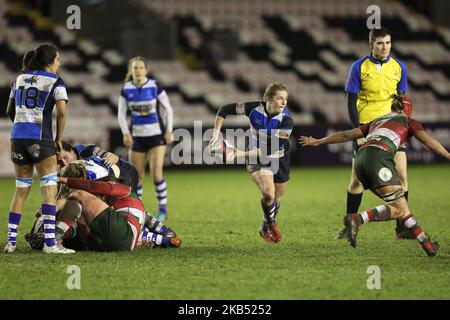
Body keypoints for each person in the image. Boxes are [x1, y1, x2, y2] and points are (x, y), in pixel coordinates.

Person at [299, 94, 450, 257]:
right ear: (408, 110)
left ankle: (428, 246)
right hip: (378, 159)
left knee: (401, 208)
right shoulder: (409, 122)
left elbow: (347, 135)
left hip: (360, 160)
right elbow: (428, 141)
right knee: (399, 209)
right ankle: (358, 219)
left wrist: (318, 141)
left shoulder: (377, 121)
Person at [342, 26, 411, 240]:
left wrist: (403, 123)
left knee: (401, 174)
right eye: (380, 43)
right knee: (357, 180)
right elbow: (351, 103)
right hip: (367, 127)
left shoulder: (400, 67)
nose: (385, 47)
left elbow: (401, 99)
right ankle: (350, 223)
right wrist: (359, 131)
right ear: (371, 45)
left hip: (392, 127)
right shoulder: (358, 67)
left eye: (388, 43)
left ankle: (402, 228)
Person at [4, 44, 74, 254]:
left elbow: (10, 110)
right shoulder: (56, 81)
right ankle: (50, 244)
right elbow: (61, 113)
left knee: (21, 189)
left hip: (17, 138)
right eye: (58, 60)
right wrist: (58, 139)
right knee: (48, 189)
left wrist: (21, 128)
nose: (59, 63)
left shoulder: (19, 79)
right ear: (49, 62)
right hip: (40, 140)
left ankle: (11, 242)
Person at [209, 82, 293, 243]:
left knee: (277, 197)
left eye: (286, 99)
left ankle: (264, 224)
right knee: (269, 194)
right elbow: (224, 110)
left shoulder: (287, 120)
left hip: (280, 156)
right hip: (257, 156)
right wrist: (216, 133)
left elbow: (272, 149)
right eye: (280, 98)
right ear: (268, 98)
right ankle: (271, 223)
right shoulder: (253, 108)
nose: (284, 102)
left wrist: (240, 154)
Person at [54, 175, 181, 252]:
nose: (100, 197)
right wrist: (165, 238)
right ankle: (54, 237)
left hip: (122, 235)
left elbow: (92, 186)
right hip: (118, 244)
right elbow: (167, 232)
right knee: (80, 210)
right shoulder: (134, 208)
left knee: (78, 194)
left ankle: (54, 238)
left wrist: (62, 179)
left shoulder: (125, 190)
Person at [118, 56, 174, 223]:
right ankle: (138, 209)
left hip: (157, 135)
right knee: (137, 177)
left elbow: (168, 109)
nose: (138, 71)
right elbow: (121, 113)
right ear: (131, 71)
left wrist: (169, 131)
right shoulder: (126, 88)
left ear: (146, 70)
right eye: (135, 68)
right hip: (137, 137)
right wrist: (126, 133)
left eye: (141, 67)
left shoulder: (154, 86)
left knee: (157, 174)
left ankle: (162, 210)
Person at [57, 140, 139, 191]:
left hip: (125, 173)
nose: (65, 163)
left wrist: (108, 159)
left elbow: (112, 157)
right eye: (60, 162)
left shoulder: (85, 150)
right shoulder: (64, 170)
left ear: (72, 151)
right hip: (108, 182)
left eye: (65, 157)